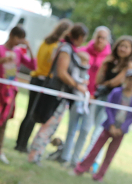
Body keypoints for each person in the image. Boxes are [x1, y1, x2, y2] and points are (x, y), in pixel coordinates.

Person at [27, 23, 89, 164]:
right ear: (80, 37)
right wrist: (77, 85)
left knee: (49, 125)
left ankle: (36, 154)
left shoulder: (67, 48)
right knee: (48, 124)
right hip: (56, 93)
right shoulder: (66, 49)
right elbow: (61, 72)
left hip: (59, 94)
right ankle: (34, 155)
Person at [75, 35, 132, 167]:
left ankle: (90, 163)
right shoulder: (110, 61)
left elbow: (117, 82)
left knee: (99, 132)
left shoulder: (131, 66)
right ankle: (77, 158)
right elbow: (98, 80)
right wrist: (105, 62)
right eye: (121, 45)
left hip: (115, 101)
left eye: (126, 47)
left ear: (131, 50)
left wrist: (106, 83)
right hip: (101, 97)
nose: (122, 49)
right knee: (86, 128)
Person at [0, 26, 36, 164]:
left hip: (10, 91)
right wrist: (2, 60)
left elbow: (33, 66)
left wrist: (29, 49)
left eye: (21, 39)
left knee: (4, 122)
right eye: (18, 38)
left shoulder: (18, 52)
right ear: (12, 35)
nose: (19, 42)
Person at [73, 69, 132, 182]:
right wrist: (111, 125)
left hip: (121, 131)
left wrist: (122, 128)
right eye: (130, 79)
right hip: (108, 127)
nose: (131, 82)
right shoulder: (116, 92)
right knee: (95, 149)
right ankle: (80, 169)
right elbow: (108, 108)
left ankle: (99, 176)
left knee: (110, 155)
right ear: (125, 79)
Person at [14, 18, 71, 153]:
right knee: (33, 114)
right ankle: (21, 145)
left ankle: (20, 143)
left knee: (29, 112)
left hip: (36, 78)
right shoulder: (57, 46)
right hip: (42, 80)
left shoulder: (46, 41)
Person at [57, 26, 111, 164]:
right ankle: (65, 157)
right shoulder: (82, 51)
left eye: (103, 38)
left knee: (86, 129)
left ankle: (76, 160)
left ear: (107, 40)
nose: (100, 40)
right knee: (72, 127)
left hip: (94, 98)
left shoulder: (109, 58)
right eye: (98, 36)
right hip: (78, 95)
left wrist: (95, 94)